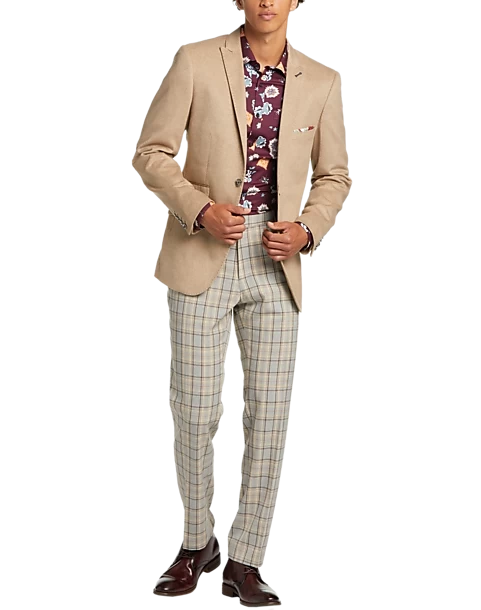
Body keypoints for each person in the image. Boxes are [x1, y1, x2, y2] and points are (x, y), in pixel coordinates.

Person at [130, 0, 352, 606]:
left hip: (278, 260)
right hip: (201, 250)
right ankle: (195, 541)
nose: (266, 0)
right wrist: (200, 209)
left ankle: (246, 560)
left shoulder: (324, 80)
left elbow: (334, 175)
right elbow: (150, 152)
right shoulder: (195, 60)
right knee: (194, 410)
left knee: (269, 418)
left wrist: (308, 228)